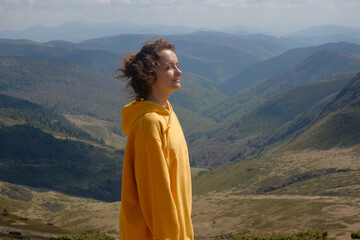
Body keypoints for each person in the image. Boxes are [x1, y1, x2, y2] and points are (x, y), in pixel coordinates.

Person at [115, 38, 194, 240]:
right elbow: (156, 197)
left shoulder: (167, 112)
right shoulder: (149, 123)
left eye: (177, 65)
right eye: (169, 67)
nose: (179, 71)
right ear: (149, 76)